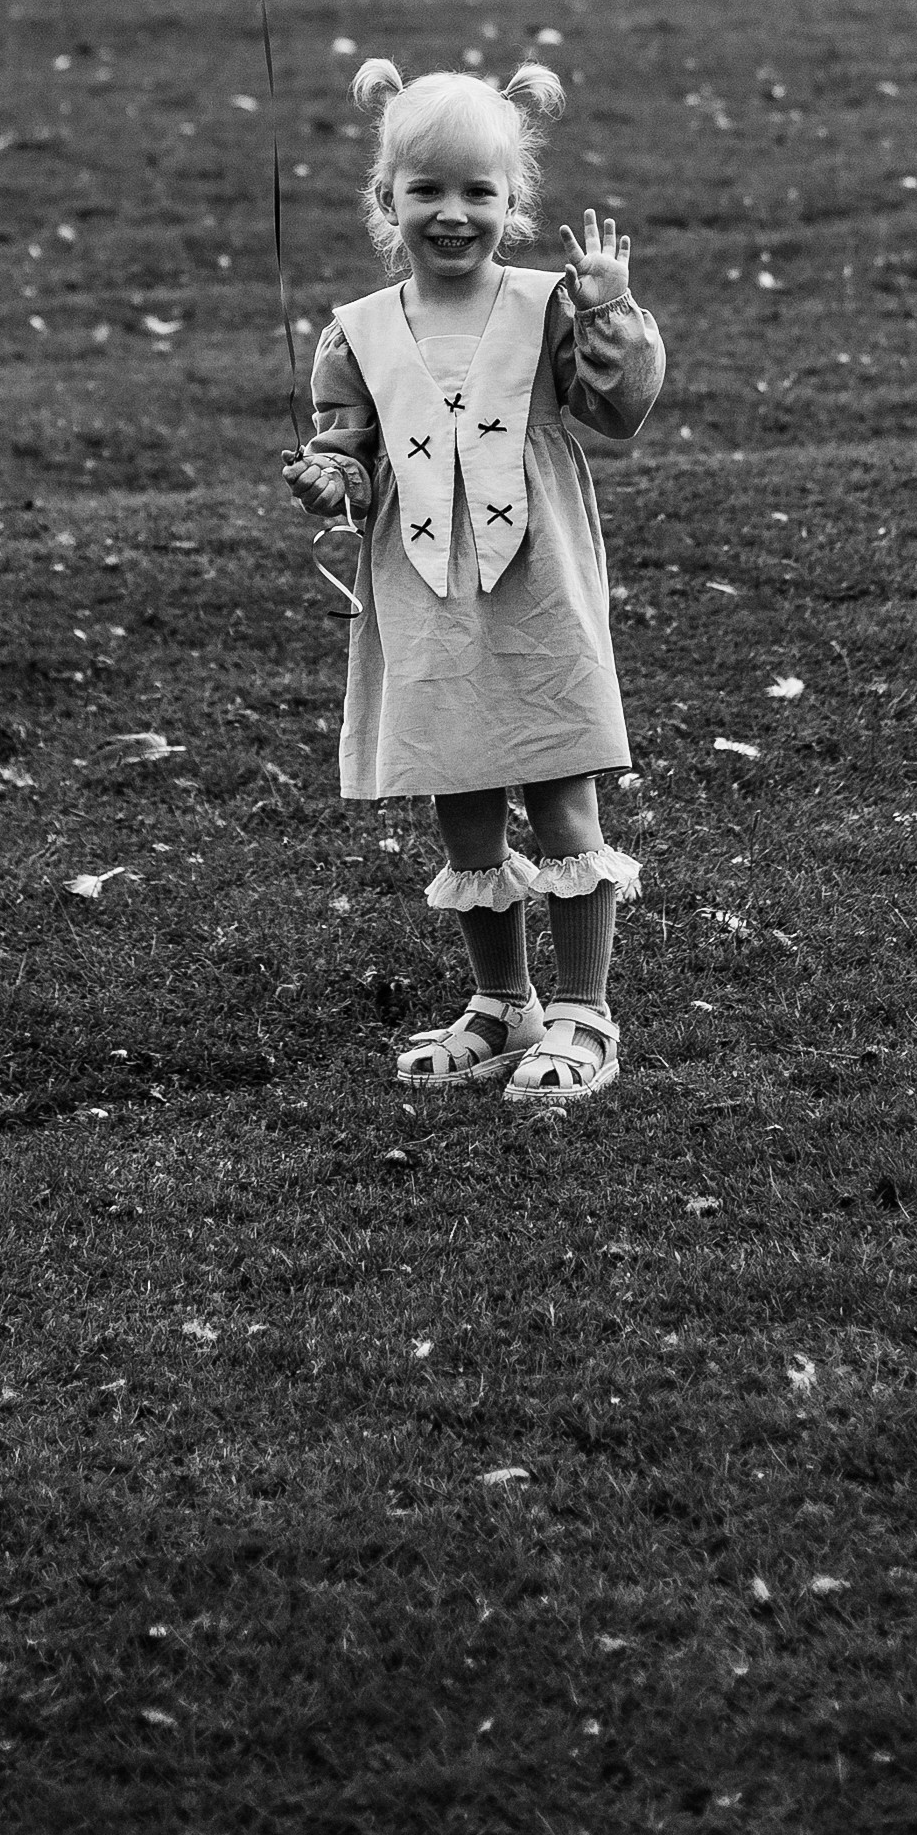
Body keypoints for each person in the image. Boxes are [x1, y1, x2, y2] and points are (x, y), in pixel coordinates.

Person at [282, 55, 665, 1102]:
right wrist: (330, 480)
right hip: (427, 594)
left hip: (536, 589)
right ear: (386, 199)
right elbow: (351, 457)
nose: (453, 213)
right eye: (427, 190)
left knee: (560, 787)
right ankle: (503, 1004)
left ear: (513, 203)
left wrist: (611, 313)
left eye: (479, 192)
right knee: (463, 802)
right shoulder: (358, 333)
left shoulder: (549, 307)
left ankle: (584, 1013)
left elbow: (620, 409)